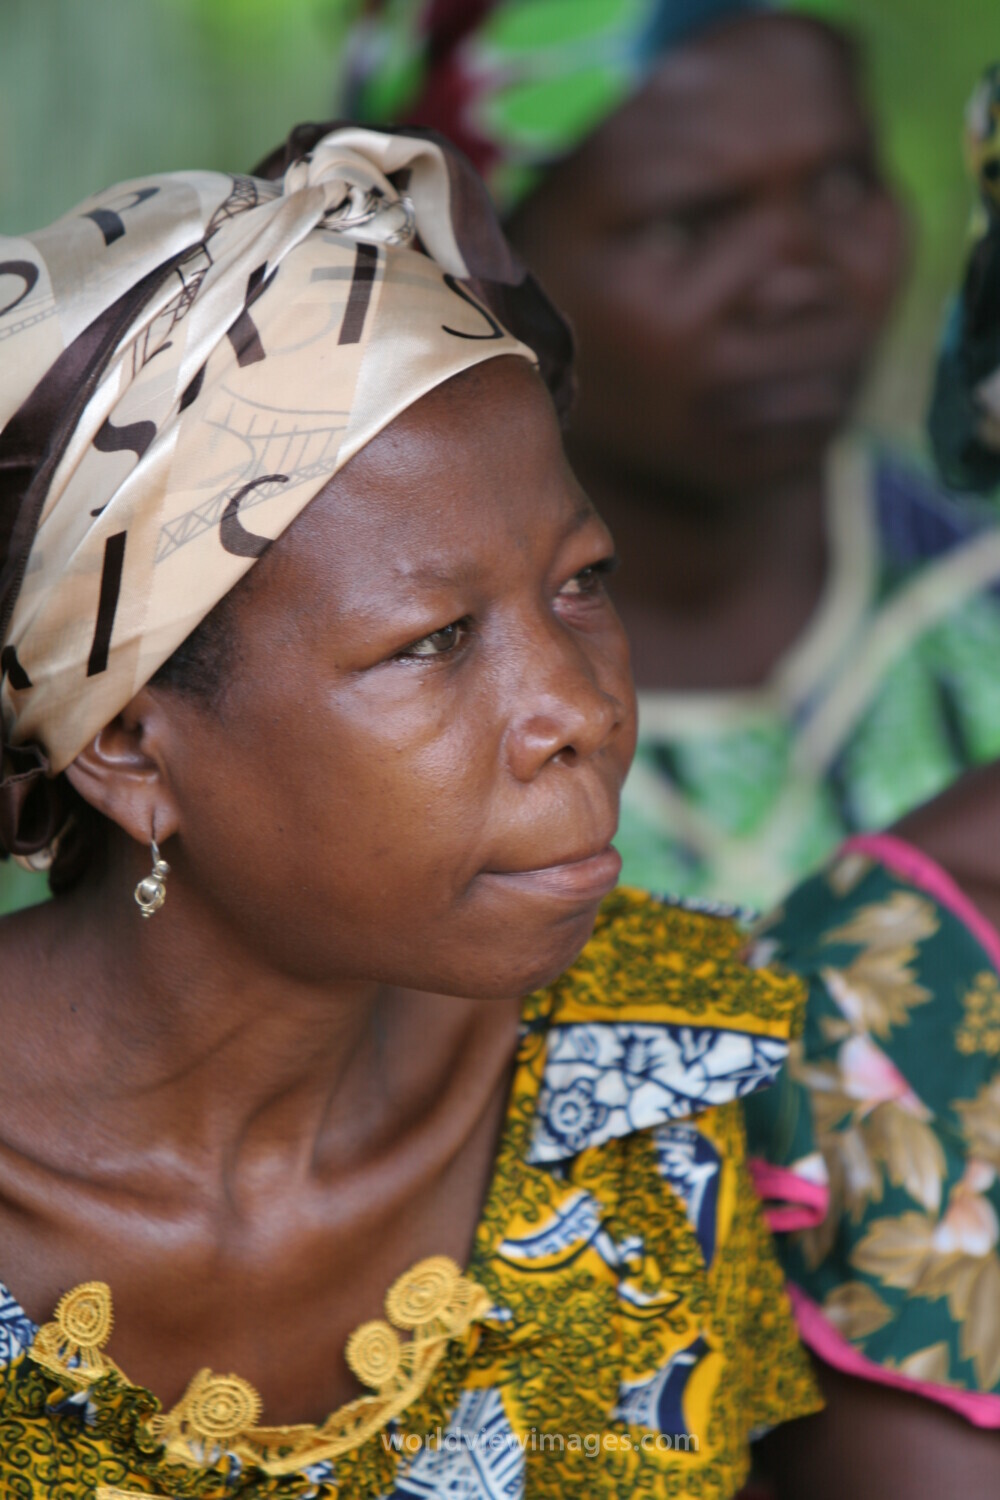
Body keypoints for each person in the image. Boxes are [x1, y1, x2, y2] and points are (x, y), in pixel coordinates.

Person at [0, 124, 819, 1497]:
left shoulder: (646, 1077)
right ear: (132, 744)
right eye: (434, 640)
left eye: (583, 580)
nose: (579, 710)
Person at [342, 0, 1000, 912]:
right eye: (685, 226)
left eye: (843, 186)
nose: (797, 281)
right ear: (476, 275)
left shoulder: (979, 600)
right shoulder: (363, 722)